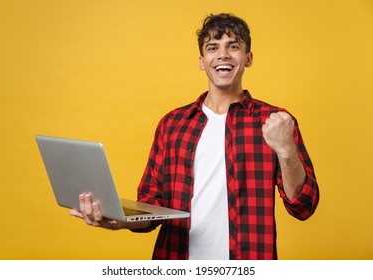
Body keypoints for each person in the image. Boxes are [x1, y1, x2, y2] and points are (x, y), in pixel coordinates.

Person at [70, 13, 319, 260]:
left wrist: (286, 149)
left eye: (233, 47)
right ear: (202, 61)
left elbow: (303, 207)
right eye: (213, 48)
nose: (223, 55)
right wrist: (118, 221)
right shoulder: (173, 124)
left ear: (248, 58)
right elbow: (150, 207)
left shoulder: (276, 122)